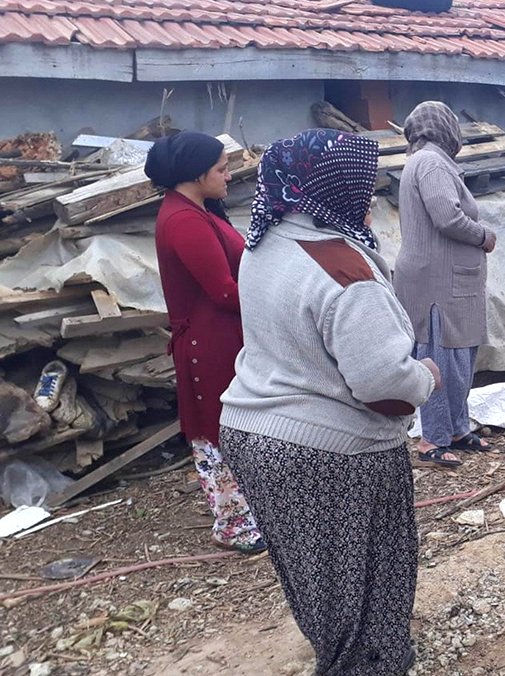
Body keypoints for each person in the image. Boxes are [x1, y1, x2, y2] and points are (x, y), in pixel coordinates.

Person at [219, 129, 438, 676]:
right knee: (372, 577)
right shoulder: (344, 271)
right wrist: (425, 380)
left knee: (318, 578)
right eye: (361, 184)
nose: (367, 196)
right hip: (326, 452)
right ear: (338, 188)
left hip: (253, 433)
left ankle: (342, 658)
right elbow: (382, 383)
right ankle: (370, 666)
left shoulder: (264, 242)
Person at [145, 131, 263, 553]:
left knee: (235, 424)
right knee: (218, 429)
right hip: (208, 344)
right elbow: (225, 292)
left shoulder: (198, 210)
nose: (229, 175)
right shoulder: (183, 220)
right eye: (221, 168)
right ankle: (234, 525)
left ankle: (251, 516)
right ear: (196, 174)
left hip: (222, 336)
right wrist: (276, 297)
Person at [395, 101, 497, 468]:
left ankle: (455, 429)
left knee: (457, 359)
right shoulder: (432, 163)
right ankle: (432, 440)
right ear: (444, 128)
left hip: (449, 280)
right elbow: (448, 218)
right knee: (440, 357)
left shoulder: (428, 161)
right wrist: (483, 235)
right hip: (438, 282)